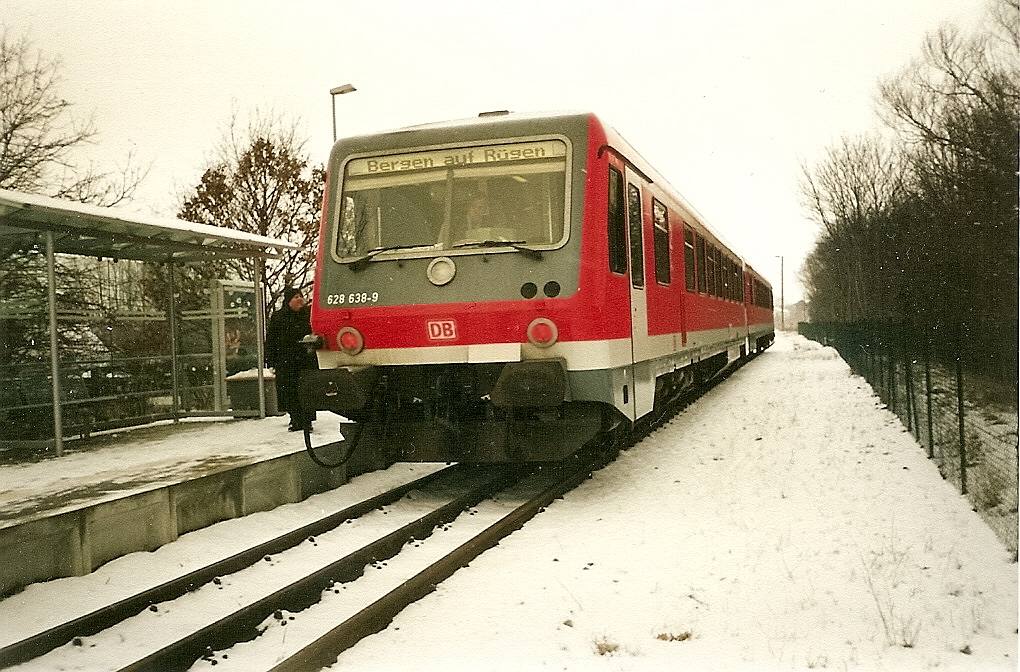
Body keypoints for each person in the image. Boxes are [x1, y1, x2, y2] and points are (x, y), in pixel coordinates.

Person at [265, 286, 317, 431]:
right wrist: (271, 360)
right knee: (289, 391)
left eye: (301, 296)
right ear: (288, 300)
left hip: (305, 361)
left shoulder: (308, 315)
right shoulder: (279, 317)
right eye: (296, 297)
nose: (300, 299)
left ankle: (307, 421)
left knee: (306, 391)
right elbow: (272, 339)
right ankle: (295, 419)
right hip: (286, 361)